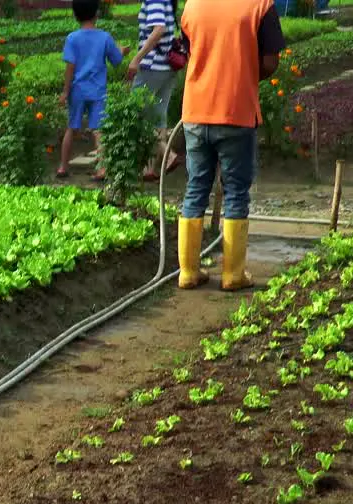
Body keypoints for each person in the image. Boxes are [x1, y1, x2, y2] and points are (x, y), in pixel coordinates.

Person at [176, 0, 286, 292]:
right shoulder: (261, 6)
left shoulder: (192, 6)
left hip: (196, 111)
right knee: (236, 190)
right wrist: (244, 76)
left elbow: (188, 52)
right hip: (236, 111)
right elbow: (270, 62)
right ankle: (232, 275)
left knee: (196, 186)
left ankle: (188, 272)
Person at [56, 0, 124, 180]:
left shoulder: (72, 38)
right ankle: (102, 169)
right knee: (98, 129)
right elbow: (117, 61)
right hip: (97, 91)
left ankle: (63, 166)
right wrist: (122, 51)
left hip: (77, 90)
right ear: (97, 14)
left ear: (75, 15)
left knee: (72, 127)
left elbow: (70, 66)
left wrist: (65, 91)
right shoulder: (105, 37)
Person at [124, 0, 182, 181]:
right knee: (157, 117)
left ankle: (168, 155)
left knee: (135, 113)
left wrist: (136, 58)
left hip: (151, 67)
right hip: (167, 68)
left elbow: (158, 30)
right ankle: (149, 168)